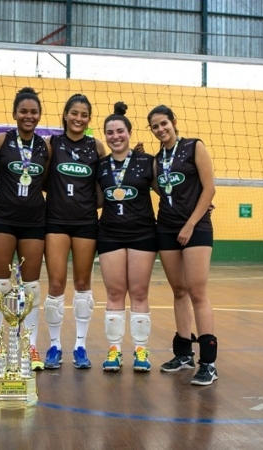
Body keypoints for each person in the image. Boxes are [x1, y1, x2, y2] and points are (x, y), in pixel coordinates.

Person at [147, 105, 218, 386]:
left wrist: (190, 223)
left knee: (197, 292)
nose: (161, 129)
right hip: (165, 227)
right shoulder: (156, 159)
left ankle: (209, 363)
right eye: (155, 126)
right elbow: (158, 186)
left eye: (164, 123)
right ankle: (184, 354)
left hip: (196, 227)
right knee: (179, 291)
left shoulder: (194, 146)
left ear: (173, 122)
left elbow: (209, 188)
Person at [0, 87, 52, 372]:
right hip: (3, 219)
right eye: (23, 111)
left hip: (35, 220)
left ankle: (30, 345)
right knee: (0, 285)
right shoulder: (0, 141)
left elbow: (44, 183)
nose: (28, 116)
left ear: (39, 115)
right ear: (14, 113)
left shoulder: (45, 147)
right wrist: (11, 190)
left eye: (33, 112)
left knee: (32, 287)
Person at [42, 94, 107, 370]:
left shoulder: (97, 147)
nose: (78, 118)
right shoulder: (51, 144)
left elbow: (110, 181)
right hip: (55, 221)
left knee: (83, 285)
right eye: (74, 113)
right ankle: (54, 345)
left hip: (85, 223)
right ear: (65, 114)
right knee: (56, 285)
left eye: (84, 115)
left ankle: (80, 346)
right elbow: (41, 180)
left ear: (89, 119)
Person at [96, 102, 158, 373]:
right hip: (109, 234)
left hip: (143, 233)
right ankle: (114, 350)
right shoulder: (100, 166)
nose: (115, 136)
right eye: (109, 132)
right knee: (114, 293)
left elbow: (167, 190)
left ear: (129, 132)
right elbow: (96, 200)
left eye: (120, 131)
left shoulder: (147, 161)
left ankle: (141, 350)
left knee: (140, 293)